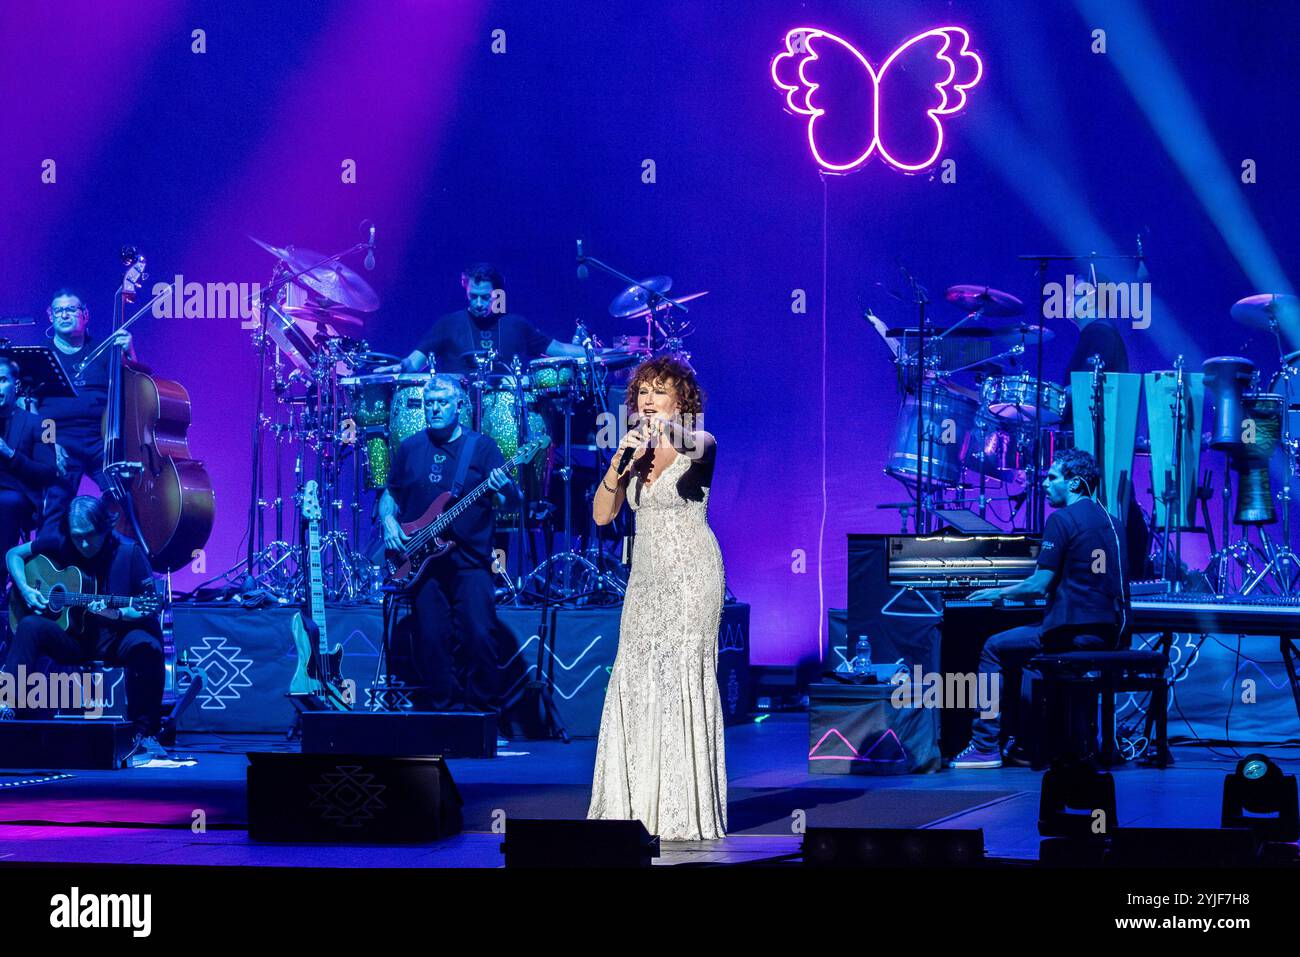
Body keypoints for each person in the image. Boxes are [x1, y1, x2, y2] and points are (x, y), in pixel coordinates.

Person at [588, 355, 727, 840]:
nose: (648, 400)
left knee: (682, 678)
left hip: (692, 577)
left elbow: (702, 443)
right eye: (643, 392)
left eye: (660, 391)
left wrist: (666, 430)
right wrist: (616, 464)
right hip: (645, 581)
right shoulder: (630, 452)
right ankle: (636, 803)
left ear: (680, 399)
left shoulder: (699, 443)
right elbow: (603, 517)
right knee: (636, 674)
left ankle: (683, 808)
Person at [951, 448, 1127, 768]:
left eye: (1052, 477)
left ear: (1074, 485)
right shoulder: (1113, 523)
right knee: (1031, 662)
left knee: (993, 647)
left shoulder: (1061, 520)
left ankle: (985, 744)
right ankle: (1033, 744)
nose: (1044, 484)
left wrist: (997, 591)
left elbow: (1038, 584)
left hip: (1071, 634)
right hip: (1110, 633)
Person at [378, 375, 518, 712]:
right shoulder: (411, 447)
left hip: (470, 562)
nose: (434, 409)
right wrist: (388, 521)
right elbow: (390, 493)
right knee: (431, 641)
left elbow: (512, 502)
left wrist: (505, 487)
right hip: (423, 564)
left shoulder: (481, 448)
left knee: (480, 636)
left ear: (459, 406)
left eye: (442, 403)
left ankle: (483, 715)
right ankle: (447, 714)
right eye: (429, 403)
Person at [0, 496, 166, 762]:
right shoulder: (62, 542)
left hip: (116, 636)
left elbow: (147, 606)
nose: (85, 544)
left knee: (147, 645)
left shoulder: (129, 552)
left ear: (105, 527)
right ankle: (6, 709)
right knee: (30, 625)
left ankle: (144, 734)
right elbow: (13, 554)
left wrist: (118, 612)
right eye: (78, 537)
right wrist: (26, 589)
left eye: (91, 536)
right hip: (74, 638)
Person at [34, 289, 135, 538]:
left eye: (72, 309)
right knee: (54, 504)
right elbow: (31, 406)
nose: (65, 315)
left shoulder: (104, 350)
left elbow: (135, 387)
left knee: (125, 497)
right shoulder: (41, 356)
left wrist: (130, 352)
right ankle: (47, 564)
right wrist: (49, 444)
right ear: (50, 316)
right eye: (59, 310)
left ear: (85, 315)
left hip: (101, 440)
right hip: (59, 440)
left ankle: (122, 561)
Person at [387, 263, 584, 376]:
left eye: (485, 297)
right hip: (458, 417)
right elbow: (414, 362)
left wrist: (606, 353)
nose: (479, 303)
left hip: (506, 416)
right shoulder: (447, 324)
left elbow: (562, 349)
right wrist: (400, 366)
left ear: (497, 294)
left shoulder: (516, 325)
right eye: (473, 296)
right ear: (466, 289)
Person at [0, 356, 59, 613]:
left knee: (6, 503)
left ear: (16, 385)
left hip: (20, 499)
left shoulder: (45, 424)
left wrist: (9, 454)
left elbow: (49, 473)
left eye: (1, 380)